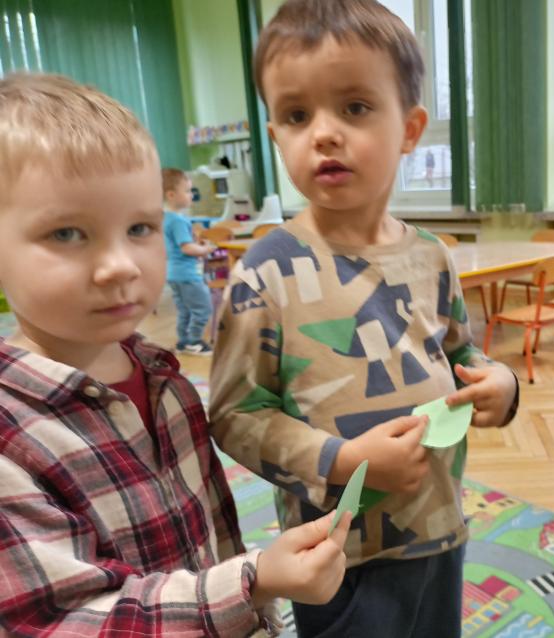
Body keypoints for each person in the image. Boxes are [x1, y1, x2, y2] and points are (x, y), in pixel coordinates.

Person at [0, 72, 350, 636]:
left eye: (140, 227)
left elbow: (214, 533)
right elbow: (56, 619)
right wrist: (251, 583)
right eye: (66, 233)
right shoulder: (11, 437)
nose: (121, 265)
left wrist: (252, 601)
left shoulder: (170, 384)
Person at [209, 1, 519, 636]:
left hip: (438, 526)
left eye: (354, 107)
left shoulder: (432, 255)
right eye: (297, 115)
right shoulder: (265, 272)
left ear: (409, 129)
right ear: (276, 136)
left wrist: (501, 384)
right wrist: (341, 459)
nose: (323, 133)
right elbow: (235, 414)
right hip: (337, 553)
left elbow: (460, 355)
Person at [162, 168, 216, 355]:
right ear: (171, 195)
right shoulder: (178, 220)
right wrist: (206, 249)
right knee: (203, 308)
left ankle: (183, 342)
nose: (191, 195)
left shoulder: (166, 218)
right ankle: (194, 341)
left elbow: (180, 246)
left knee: (184, 310)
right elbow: (186, 248)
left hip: (174, 274)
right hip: (187, 274)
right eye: (187, 191)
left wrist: (196, 245)